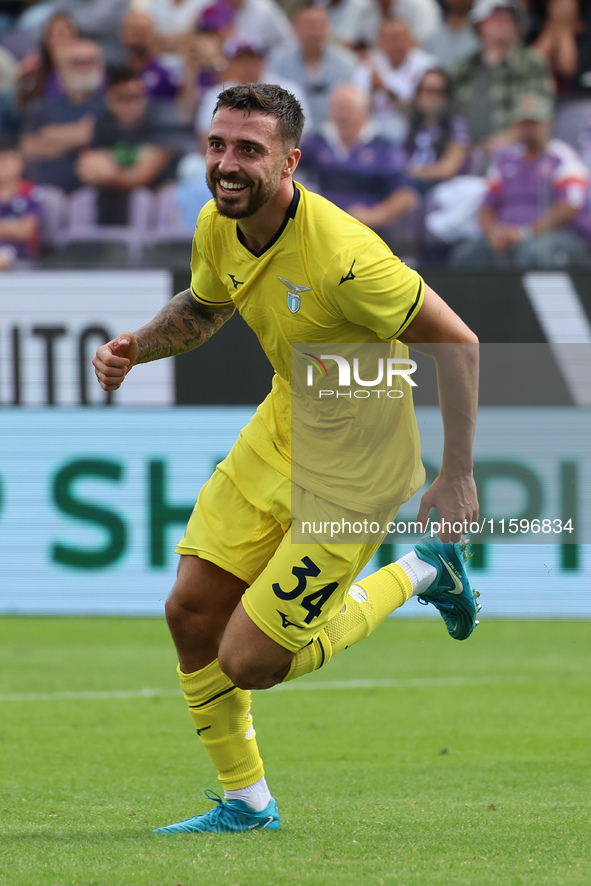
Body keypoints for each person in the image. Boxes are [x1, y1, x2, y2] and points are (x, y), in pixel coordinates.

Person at [93, 83, 480, 835]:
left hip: (355, 472)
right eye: (217, 145)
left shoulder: (345, 258)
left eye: (248, 150)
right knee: (190, 614)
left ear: (290, 161)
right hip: (278, 432)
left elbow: (457, 343)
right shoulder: (217, 224)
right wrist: (137, 347)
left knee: (251, 662)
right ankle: (246, 803)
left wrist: (456, 472)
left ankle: (425, 570)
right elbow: (205, 308)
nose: (226, 164)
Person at [450, 93, 591, 267]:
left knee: (533, 253)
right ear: (516, 125)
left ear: (549, 123)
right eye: (525, 122)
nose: (530, 128)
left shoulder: (562, 157)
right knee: (466, 255)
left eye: (535, 122)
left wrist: (526, 232)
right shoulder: (504, 159)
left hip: (555, 234)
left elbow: (571, 205)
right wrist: (493, 233)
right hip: (505, 234)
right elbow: (486, 205)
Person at [298, 84, 420, 249]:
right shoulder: (317, 143)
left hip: (369, 234)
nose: (343, 116)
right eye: (338, 109)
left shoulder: (383, 147)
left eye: (349, 109)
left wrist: (373, 215)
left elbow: (406, 197)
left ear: (365, 112)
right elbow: (286, 170)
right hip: (321, 231)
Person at [451, 0, 554, 164]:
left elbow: (536, 114)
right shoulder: (464, 68)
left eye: (510, 17)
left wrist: (497, 143)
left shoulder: (530, 64)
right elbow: (449, 116)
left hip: (514, 157)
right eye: (496, 16)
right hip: (463, 158)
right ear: (479, 24)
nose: (504, 21)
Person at [76, 65, 175, 225]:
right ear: (109, 99)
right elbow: (87, 167)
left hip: (155, 197)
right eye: (122, 98)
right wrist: (117, 173)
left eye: (136, 97)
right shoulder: (103, 124)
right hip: (111, 197)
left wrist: (110, 173)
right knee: (86, 198)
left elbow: (143, 175)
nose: (131, 105)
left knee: (141, 197)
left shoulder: (158, 121)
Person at [20, 39, 106, 193]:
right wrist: (77, 134)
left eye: (90, 62)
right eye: (76, 63)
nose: (84, 68)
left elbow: (89, 135)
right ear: (61, 69)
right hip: (44, 193)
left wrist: (48, 134)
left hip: (94, 193)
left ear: (101, 68)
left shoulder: (110, 105)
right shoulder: (44, 107)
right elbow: (29, 149)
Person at [267, 3, 357, 131]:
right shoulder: (278, 60)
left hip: (333, 135)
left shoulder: (346, 62)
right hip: (289, 133)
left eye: (319, 25)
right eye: (308, 26)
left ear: (328, 27)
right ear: (294, 28)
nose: (313, 32)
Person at [404, 68, 470, 193]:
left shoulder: (457, 125)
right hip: (411, 187)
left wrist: (410, 172)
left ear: (445, 95)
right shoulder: (415, 124)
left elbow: (448, 169)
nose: (424, 95)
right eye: (420, 90)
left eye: (431, 91)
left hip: (441, 190)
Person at [0, 134, 40, 269]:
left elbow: (25, 231)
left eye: (9, 159)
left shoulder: (30, 192)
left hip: (21, 253)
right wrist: (12, 227)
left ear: (21, 162)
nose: (4, 165)